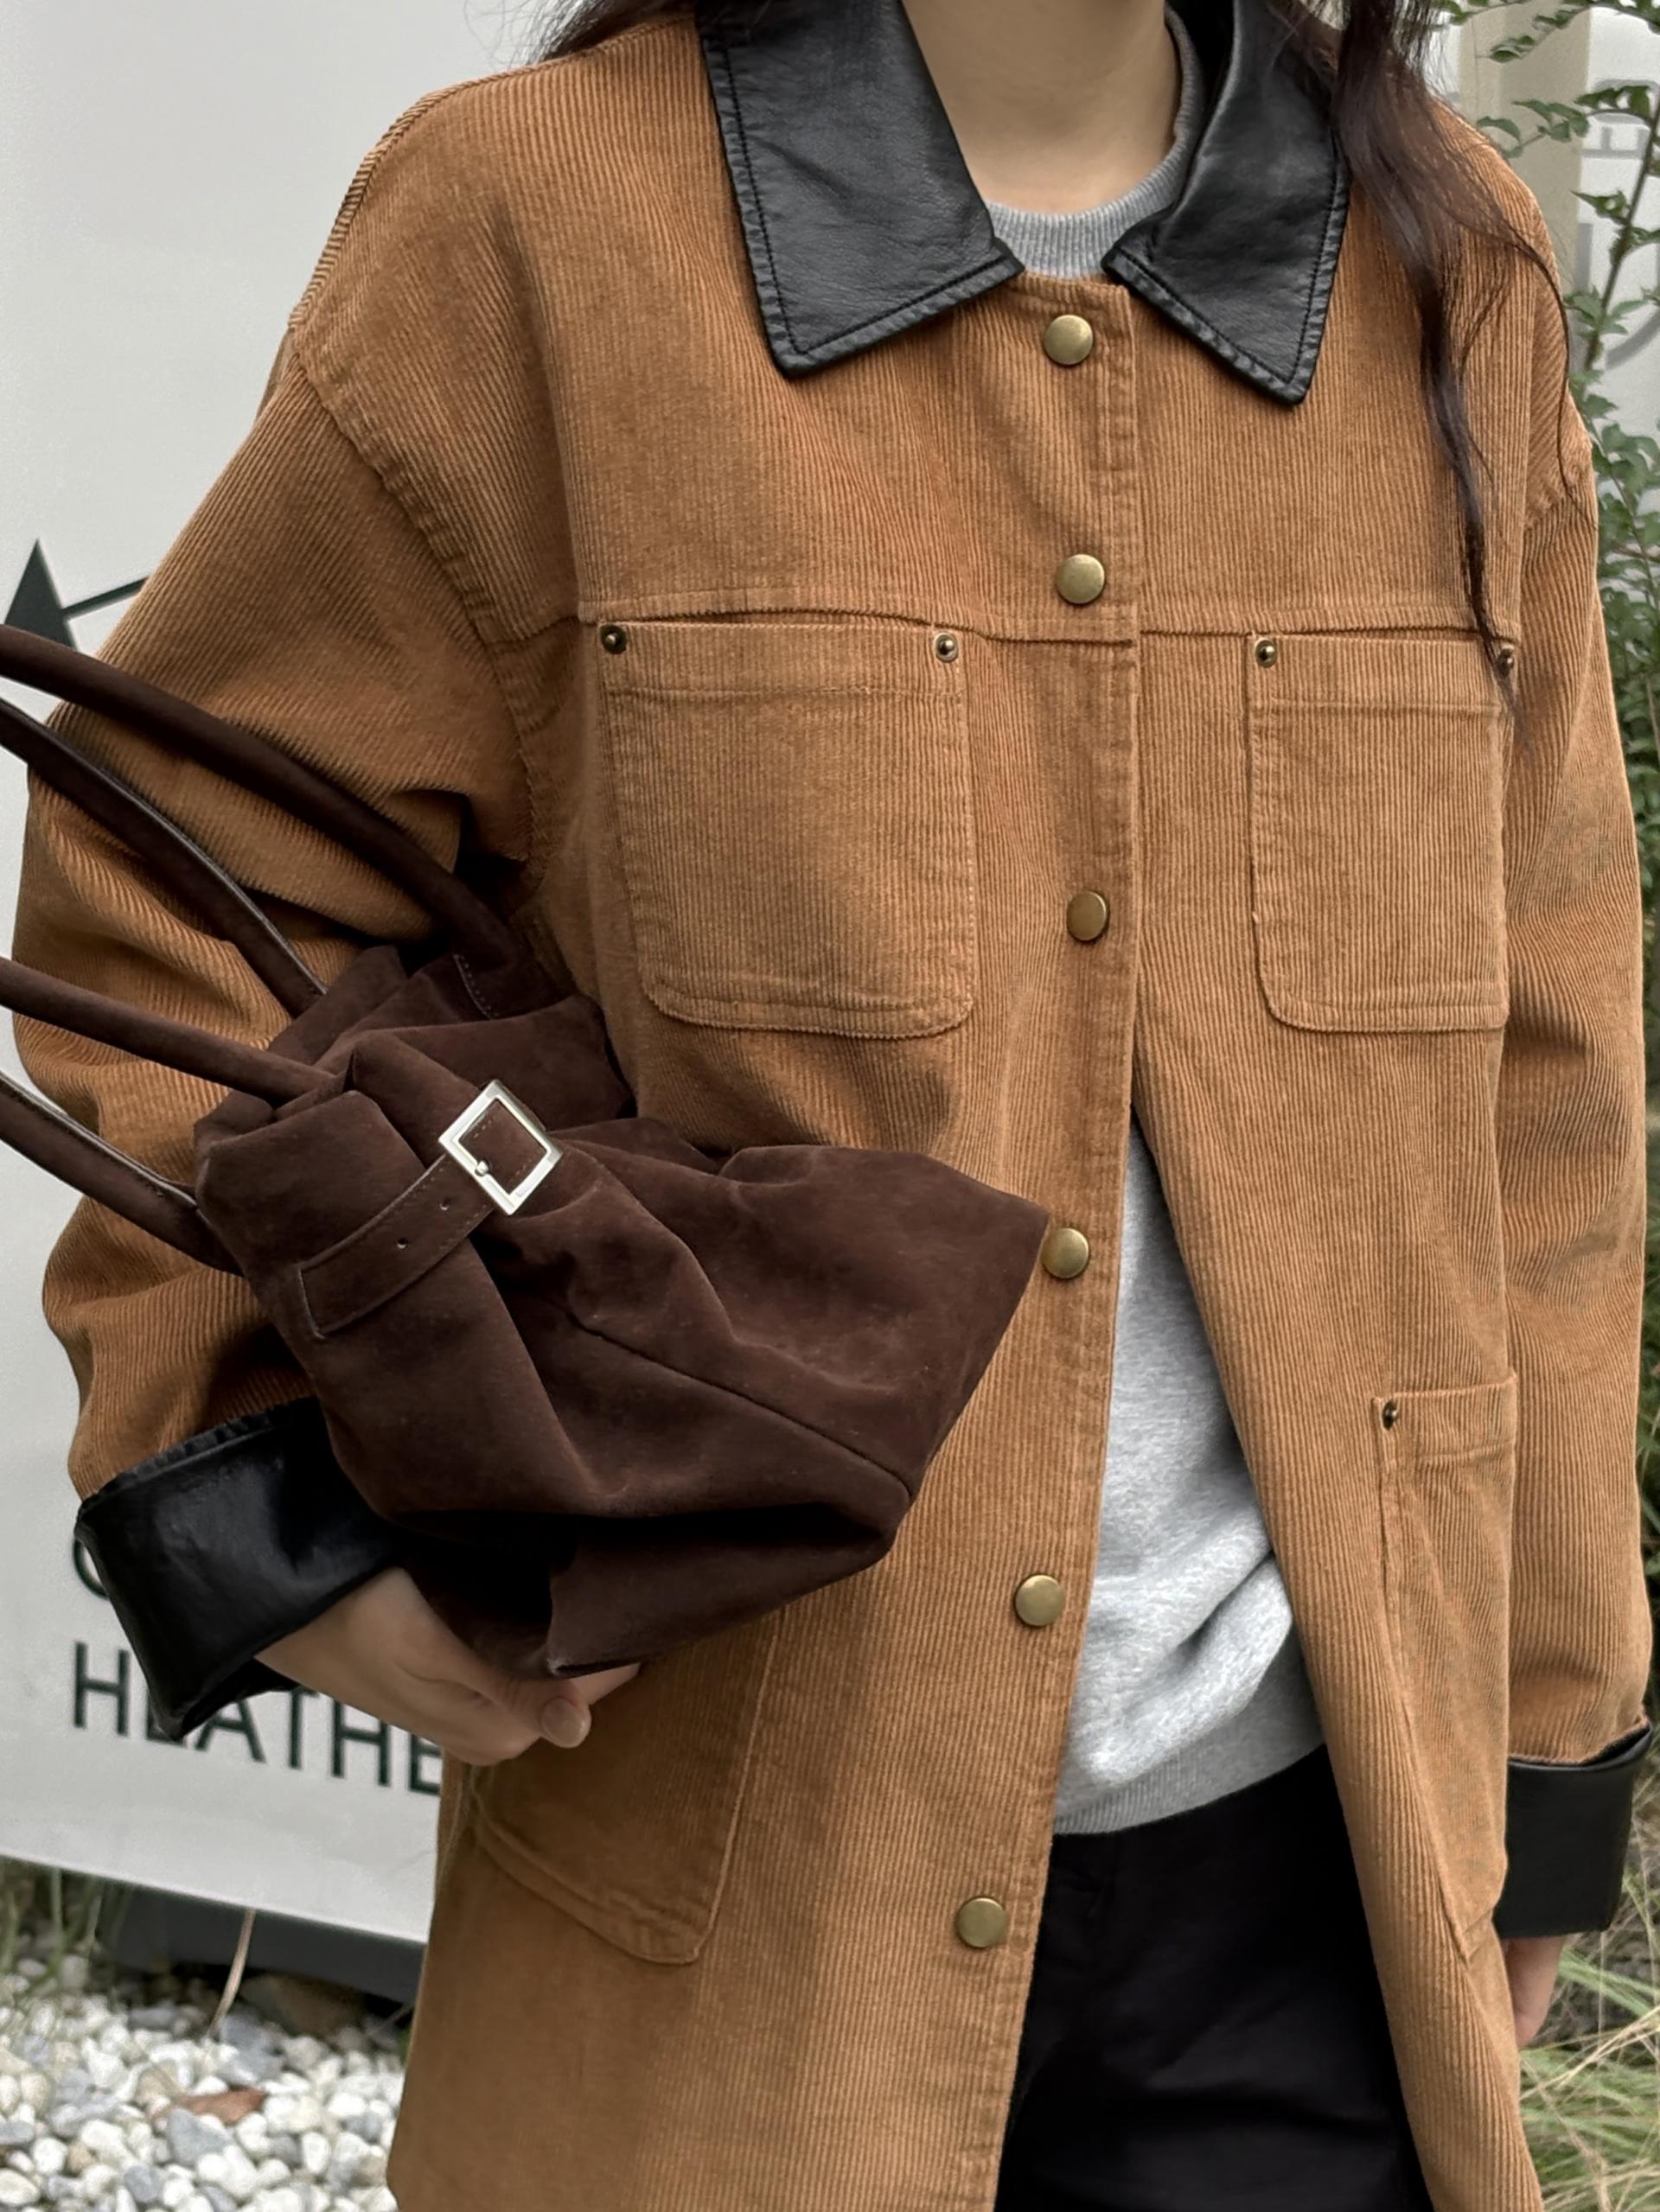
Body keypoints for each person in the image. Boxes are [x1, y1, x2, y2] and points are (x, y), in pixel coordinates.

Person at [13, 0, 1651, 2205]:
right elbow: (170, 890)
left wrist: (1547, 1751)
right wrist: (264, 1502)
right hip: (726, 1891)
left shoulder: (1453, 266)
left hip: (1314, 1907)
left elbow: (1547, 1082)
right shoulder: (527, 230)